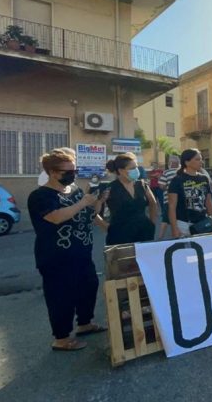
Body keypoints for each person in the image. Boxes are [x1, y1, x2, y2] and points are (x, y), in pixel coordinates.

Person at [27, 150, 108, 351]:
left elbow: (89, 213)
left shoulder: (74, 190)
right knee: (61, 297)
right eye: (68, 171)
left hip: (81, 253)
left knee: (88, 287)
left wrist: (99, 201)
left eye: (74, 170)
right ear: (53, 172)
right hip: (56, 257)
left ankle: (85, 323)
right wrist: (82, 202)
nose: (73, 174)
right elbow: (55, 217)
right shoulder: (40, 195)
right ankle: (61, 338)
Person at [103, 153, 157, 245]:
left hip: (144, 233)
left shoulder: (142, 185)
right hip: (120, 235)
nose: (136, 170)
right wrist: (106, 226)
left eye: (136, 167)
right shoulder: (110, 188)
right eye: (132, 168)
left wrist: (152, 223)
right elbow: (93, 211)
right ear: (120, 170)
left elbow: (153, 203)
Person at [168, 149, 212, 238]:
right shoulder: (177, 180)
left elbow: (209, 201)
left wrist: (211, 220)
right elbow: (171, 206)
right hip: (184, 225)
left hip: (203, 222)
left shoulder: (204, 178)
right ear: (187, 162)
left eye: (201, 159)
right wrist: (174, 229)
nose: (201, 162)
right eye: (197, 159)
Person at [157, 155, 179, 240]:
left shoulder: (166, 172)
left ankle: (160, 237)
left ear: (171, 163)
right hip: (180, 200)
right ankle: (178, 234)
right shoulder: (182, 172)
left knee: (165, 219)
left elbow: (162, 186)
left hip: (169, 200)